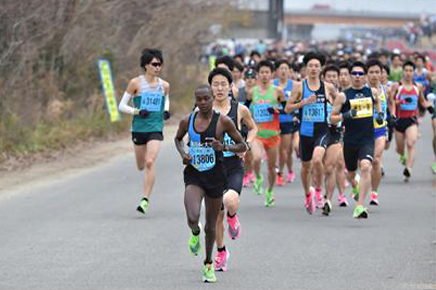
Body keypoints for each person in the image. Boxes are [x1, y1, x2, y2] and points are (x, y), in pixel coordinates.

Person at [174, 85, 247, 283]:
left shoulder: (223, 121)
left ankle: (208, 264)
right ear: (196, 101)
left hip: (215, 177)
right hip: (195, 175)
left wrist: (224, 146)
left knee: (211, 226)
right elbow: (178, 139)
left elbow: (243, 145)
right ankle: (194, 232)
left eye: (207, 98)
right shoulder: (187, 121)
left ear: (212, 98)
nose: (203, 102)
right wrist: (184, 154)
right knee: (192, 216)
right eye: (199, 99)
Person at [207, 68, 257, 272]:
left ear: (230, 86)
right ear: (211, 87)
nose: (219, 88)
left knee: (229, 201)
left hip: (234, 164)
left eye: (223, 84)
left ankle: (233, 216)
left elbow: (253, 128)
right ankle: (221, 252)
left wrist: (246, 144)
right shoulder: (203, 110)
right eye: (215, 84)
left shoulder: (240, 109)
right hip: (213, 166)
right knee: (216, 213)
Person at [118, 48, 171, 214]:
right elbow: (121, 106)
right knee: (141, 165)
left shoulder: (165, 85)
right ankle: (145, 187)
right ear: (146, 65)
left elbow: (167, 100)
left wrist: (166, 110)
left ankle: (145, 199)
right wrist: (137, 111)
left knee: (150, 161)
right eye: (154, 64)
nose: (157, 67)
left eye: (159, 64)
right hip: (139, 128)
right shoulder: (135, 83)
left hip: (155, 127)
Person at [285, 52, 338, 214]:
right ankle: (308, 194)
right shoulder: (300, 86)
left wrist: (335, 111)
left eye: (317, 66)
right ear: (305, 68)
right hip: (305, 132)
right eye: (310, 66)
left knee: (317, 160)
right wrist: (303, 102)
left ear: (321, 68)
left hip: (322, 131)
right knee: (306, 167)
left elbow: (339, 102)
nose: (314, 69)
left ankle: (318, 192)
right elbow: (287, 108)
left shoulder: (328, 87)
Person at [330, 61, 384, 218]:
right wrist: (345, 116)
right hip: (350, 141)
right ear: (349, 76)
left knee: (366, 166)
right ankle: (355, 186)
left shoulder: (372, 92)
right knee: (351, 174)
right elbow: (331, 118)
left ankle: (360, 206)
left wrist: (380, 115)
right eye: (354, 74)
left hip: (367, 139)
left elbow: (378, 103)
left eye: (361, 74)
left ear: (365, 76)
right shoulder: (343, 96)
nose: (358, 77)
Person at [247, 60, 286, 206]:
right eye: (262, 72)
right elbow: (245, 109)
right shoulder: (252, 92)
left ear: (272, 74)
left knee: (271, 167)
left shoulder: (278, 91)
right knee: (256, 158)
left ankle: (269, 191)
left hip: (273, 134)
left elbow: (286, 108)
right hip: (257, 133)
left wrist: (276, 111)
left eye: (267, 72)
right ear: (258, 74)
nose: (264, 75)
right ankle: (257, 177)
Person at [389, 61, 428, 182]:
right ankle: (403, 155)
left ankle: (409, 168)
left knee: (411, 143)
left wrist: (428, 106)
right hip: (399, 120)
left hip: (411, 119)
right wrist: (398, 103)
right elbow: (391, 102)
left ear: (414, 72)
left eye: (411, 71)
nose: (408, 73)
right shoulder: (397, 86)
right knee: (400, 149)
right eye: (406, 70)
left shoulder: (418, 87)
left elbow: (422, 101)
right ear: (403, 71)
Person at [321, 64, 348, 214]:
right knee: (318, 166)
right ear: (323, 78)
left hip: (336, 134)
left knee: (330, 167)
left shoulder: (343, 96)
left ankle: (328, 200)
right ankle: (318, 193)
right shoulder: (318, 95)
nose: (331, 79)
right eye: (328, 76)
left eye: (334, 76)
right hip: (319, 133)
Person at [367, 59, 389, 206]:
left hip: (380, 130)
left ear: (382, 74)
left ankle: (374, 193)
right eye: (371, 72)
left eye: (377, 72)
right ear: (366, 74)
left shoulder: (385, 89)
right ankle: (358, 184)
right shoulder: (362, 90)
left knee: (375, 160)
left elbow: (391, 103)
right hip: (363, 130)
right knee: (363, 163)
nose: (375, 75)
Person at [274, 59, 299, 185]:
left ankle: (286, 171)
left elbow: (298, 102)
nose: (283, 71)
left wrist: (296, 114)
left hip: (288, 121)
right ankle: (279, 172)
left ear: (289, 71)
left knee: (287, 150)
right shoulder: (272, 85)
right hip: (274, 121)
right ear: (277, 71)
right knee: (278, 149)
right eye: (281, 68)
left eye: (286, 69)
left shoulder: (294, 85)